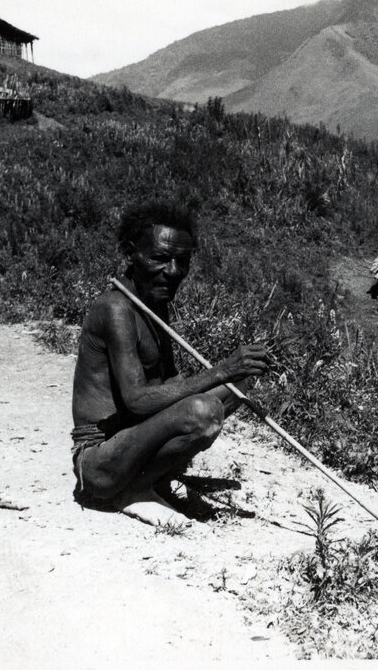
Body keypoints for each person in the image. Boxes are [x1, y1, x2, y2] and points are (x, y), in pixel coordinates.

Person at [71, 200, 268, 527]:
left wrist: (229, 379)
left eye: (182, 261)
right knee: (204, 411)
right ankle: (132, 491)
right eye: (161, 258)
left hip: (134, 440)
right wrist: (220, 370)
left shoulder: (154, 305)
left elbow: (170, 383)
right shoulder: (116, 308)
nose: (174, 271)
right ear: (132, 254)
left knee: (236, 386)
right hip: (101, 460)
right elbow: (135, 400)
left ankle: (155, 477)